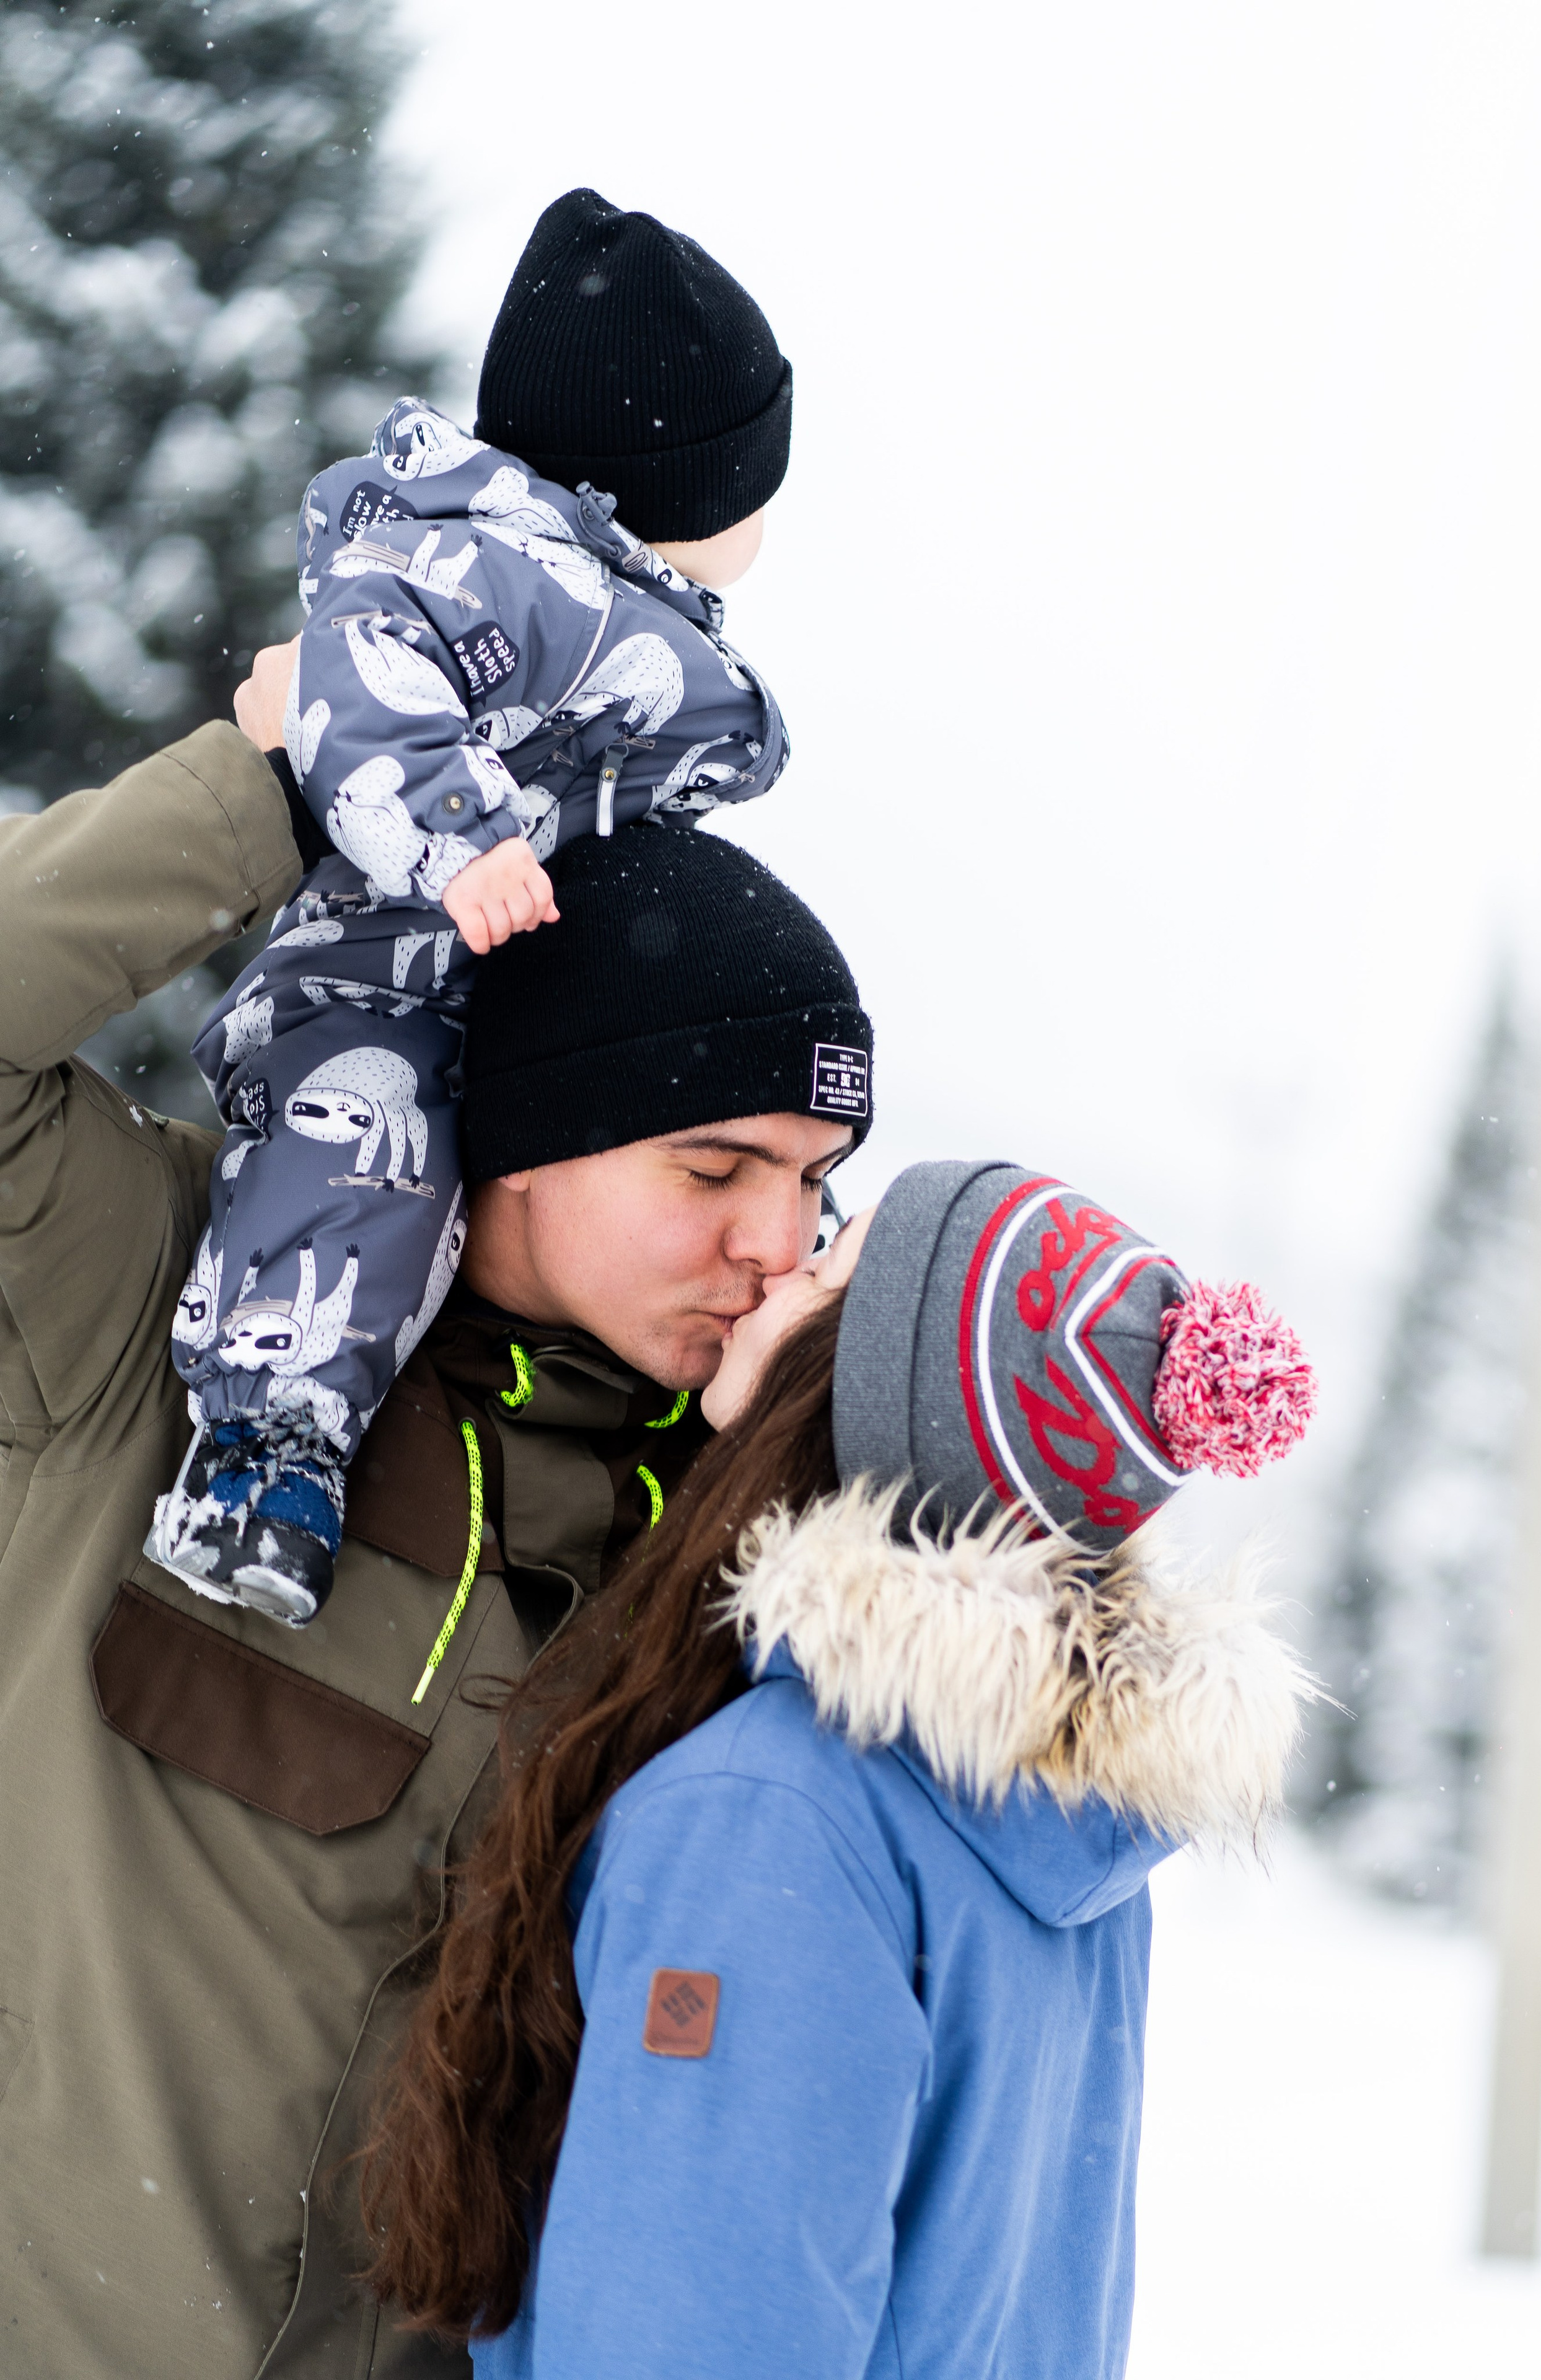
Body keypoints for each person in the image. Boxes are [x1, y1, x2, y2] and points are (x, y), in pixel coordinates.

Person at [0, 693, 867, 2377]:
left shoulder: (732, 1529)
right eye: (717, 1170)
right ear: (527, 1136)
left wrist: (792, 1445)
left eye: (820, 1181)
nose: (785, 1240)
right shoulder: (157, 1297)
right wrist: (271, 785)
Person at [361, 1163, 1317, 2377]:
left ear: (877, 1391)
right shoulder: (1063, 1808)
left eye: (822, 1268)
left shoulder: (769, 1817)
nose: (775, 1266)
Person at [148, 186, 799, 1624]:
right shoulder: (470, 561)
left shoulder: (617, 606)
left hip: (509, 988)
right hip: (380, 972)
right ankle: (270, 1454)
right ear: (686, 481)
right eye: (756, 481)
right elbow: (352, 677)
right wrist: (455, 834)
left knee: (613, 1186)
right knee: (356, 1187)